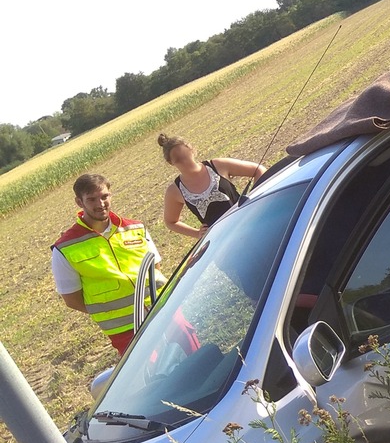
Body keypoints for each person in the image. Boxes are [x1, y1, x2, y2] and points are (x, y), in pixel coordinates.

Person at [51, 174, 162, 355]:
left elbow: (155, 266)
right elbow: (72, 300)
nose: (100, 204)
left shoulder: (136, 227)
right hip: (125, 330)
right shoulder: (64, 248)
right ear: (79, 202)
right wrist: (109, 311)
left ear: (110, 195)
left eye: (104, 197)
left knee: (200, 357)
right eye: (92, 199)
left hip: (164, 308)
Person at [158, 133, 266, 239]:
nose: (185, 162)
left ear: (191, 149)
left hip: (250, 222)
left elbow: (259, 170)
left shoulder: (218, 166)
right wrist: (197, 233)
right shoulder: (174, 191)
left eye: (185, 156)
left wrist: (254, 201)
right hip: (222, 240)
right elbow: (171, 222)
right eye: (179, 160)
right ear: (171, 163)